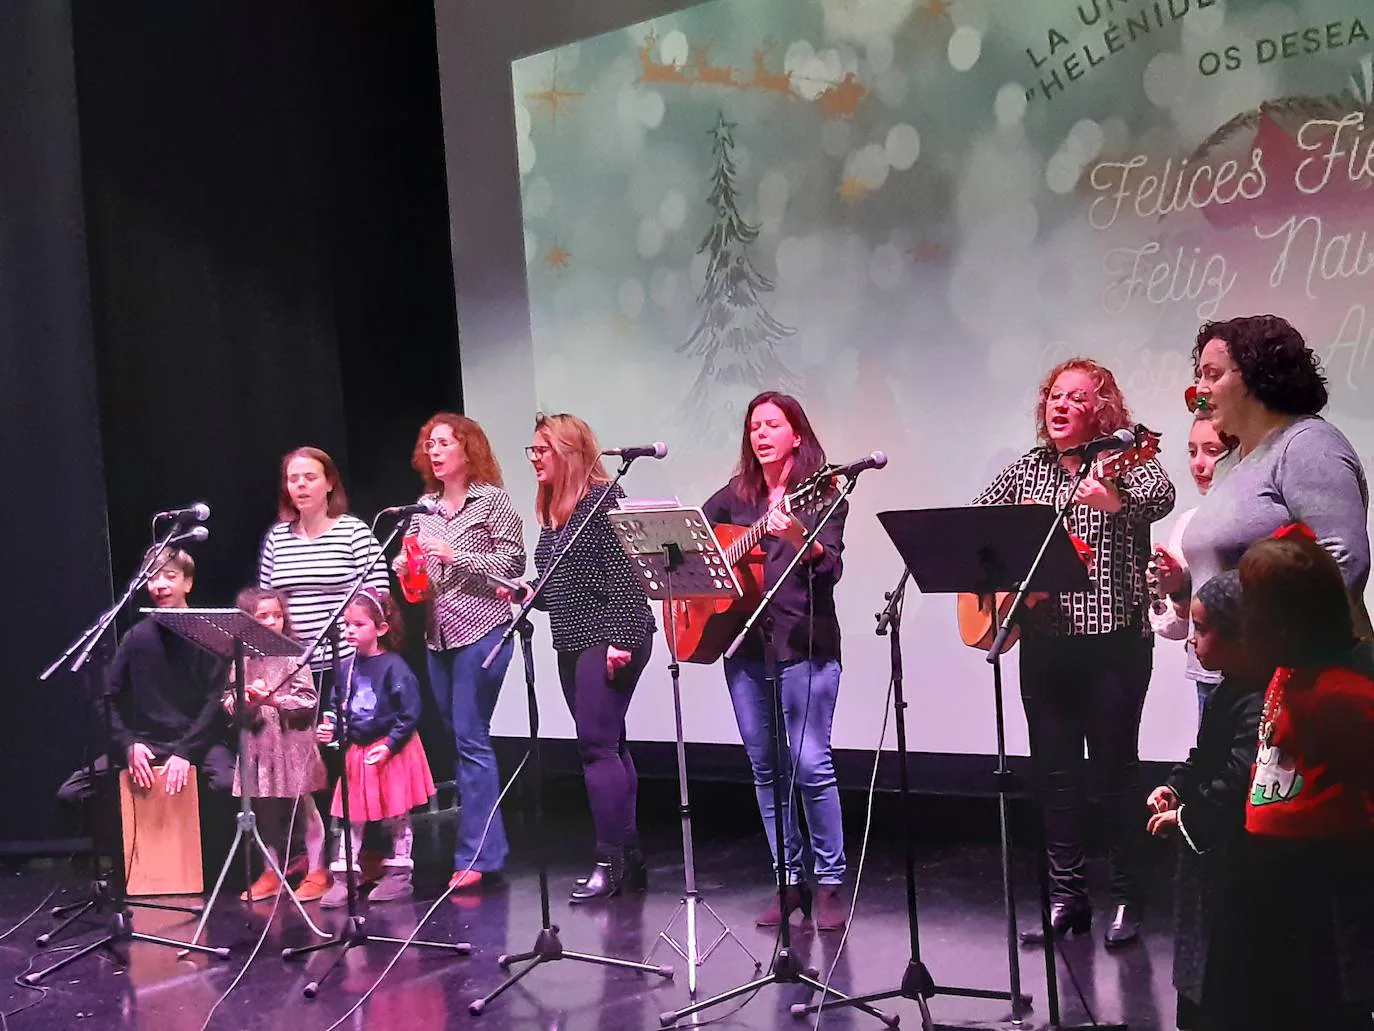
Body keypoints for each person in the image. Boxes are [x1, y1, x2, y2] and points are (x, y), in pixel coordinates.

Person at [973, 357, 1175, 948]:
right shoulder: (1028, 470)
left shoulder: (1128, 461)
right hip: (1045, 645)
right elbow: (975, 523)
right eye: (1054, 397)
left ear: (1102, 409)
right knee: (1055, 778)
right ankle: (1067, 898)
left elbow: (1159, 498)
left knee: (1114, 776)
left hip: (1114, 644)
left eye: (1076, 398)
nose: (1060, 406)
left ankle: (1127, 899)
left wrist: (1113, 500)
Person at [1200, 530, 1374, 1030]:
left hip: (1321, 880)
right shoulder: (1282, 675)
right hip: (1264, 871)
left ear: (1282, 621)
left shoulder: (1347, 694)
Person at [700, 391, 849, 931]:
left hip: (804, 644)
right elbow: (696, 537)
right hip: (743, 646)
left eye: (772, 424)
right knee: (767, 768)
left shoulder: (823, 493)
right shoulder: (736, 497)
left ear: (796, 434)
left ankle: (830, 883)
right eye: (754, 426)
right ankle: (789, 883)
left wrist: (799, 540)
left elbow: (830, 567)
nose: (761, 434)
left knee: (809, 764)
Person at [1155, 314, 1372, 674]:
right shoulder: (1235, 461)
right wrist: (1183, 588)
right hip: (1226, 673)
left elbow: (1344, 560)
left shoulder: (1306, 445)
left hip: (1291, 675)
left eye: (1213, 374)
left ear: (1257, 377)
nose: (1200, 390)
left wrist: (1272, 644)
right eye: (1200, 375)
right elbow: (1225, 572)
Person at [510, 413, 655, 902]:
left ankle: (608, 861)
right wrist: (532, 592)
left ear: (569, 452)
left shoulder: (603, 503)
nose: (534, 460)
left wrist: (620, 642)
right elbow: (563, 588)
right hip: (571, 640)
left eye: (541, 451)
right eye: (531, 451)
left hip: (612, 636)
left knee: (596, 747)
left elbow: (628, 579)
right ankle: (630, 856)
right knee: (610, 744)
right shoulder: (556, 513)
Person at [396, 413, 525, 892]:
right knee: (460, 738)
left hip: (482, 631)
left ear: (467, 450)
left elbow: (513, 564)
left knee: (471, 737)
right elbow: (419, 571)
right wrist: (407, 566)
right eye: (429, 443)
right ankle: (484, 847)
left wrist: (453, 554)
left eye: (444, 443)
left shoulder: (492, 502)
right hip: (438, 635)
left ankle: (479, 855)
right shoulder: (424, 507)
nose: (434, 451)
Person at [1144, 571, 1266, 1029]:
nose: (1192, 640)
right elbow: (1201, 756)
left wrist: (1188, 816)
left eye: (1202, 629)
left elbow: (1240, 775)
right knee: (1197, 962)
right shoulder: (1227, 690)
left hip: (1230, 860)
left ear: (1241, 637)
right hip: (1205, 858)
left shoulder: (1255, 700)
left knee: (1221, 972)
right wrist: (1175, 786)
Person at [316, 588, 435, 908]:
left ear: (381, 628)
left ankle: (399, 874)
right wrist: (332, 729)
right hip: (359, 749)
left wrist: (391, 745)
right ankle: (346, 877)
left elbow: (409, 712)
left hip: (391, 749)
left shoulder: (394, 667)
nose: (349, 631)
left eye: (358, 625)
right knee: (351, 814)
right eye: (346, 625)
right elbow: (337, 706)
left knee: (397, 812)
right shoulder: (346, 667)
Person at [223, 587, 330, 903]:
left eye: (277, 615)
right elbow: (228, 698)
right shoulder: (242, 659)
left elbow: (308, 699)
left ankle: (318, 869)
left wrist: (274, 699)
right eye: (263, 616)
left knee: (304, 808)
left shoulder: (293, 654)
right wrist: (241, 700)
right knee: (264, 810)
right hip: (259, 744)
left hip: (291, 742)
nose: (272, 622)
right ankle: (272, 871)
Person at [107, 546, 235, 797]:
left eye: (170, 576)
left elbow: (214, 704)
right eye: (152, 577)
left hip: (198, 741)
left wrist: (185, 752)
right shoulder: (135, 637)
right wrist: (128, 745)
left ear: (188, 583)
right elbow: (107, 697)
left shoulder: (209, 637)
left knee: (226, 783)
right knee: (74, 792)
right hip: (148, 742)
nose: (160, 585)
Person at [259, 446, 389, 671]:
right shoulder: (277, 538)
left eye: (310, 477)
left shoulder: (354, 532)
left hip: (348, 663)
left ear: (329, 484)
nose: (301, 484)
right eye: (293, 479)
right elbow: (265, 600)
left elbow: (378, 597)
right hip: (293, 667)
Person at [1149, 409, 1237, 722]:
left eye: (1212, 451)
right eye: (1192, 451)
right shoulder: (1189, 524)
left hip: (1258, 670)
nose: (1198, 463)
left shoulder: (1261, 518)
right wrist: (1177, 590)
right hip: (1208, 674)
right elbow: (1174, 629)